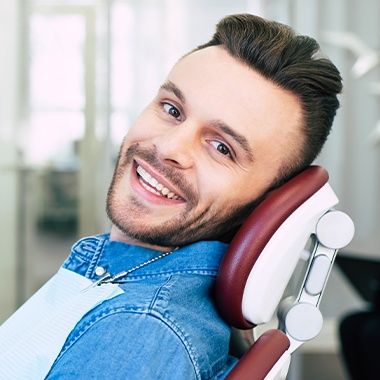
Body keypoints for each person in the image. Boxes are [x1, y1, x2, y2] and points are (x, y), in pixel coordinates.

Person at [0, 13, 342, 379]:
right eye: (172, 109)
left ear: (264, 205)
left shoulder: (138, 332)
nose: (168, 147)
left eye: (222, 148)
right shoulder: (124, 282)